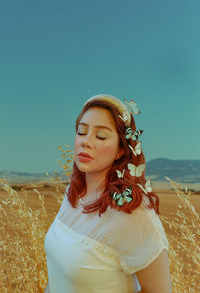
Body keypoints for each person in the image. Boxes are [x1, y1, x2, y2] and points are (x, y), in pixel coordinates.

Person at [44, 94, 172, 293]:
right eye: (81, 131)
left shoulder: (133, 211)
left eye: (101, 136)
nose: (85, 142)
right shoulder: (74, 192)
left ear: (121, 149)